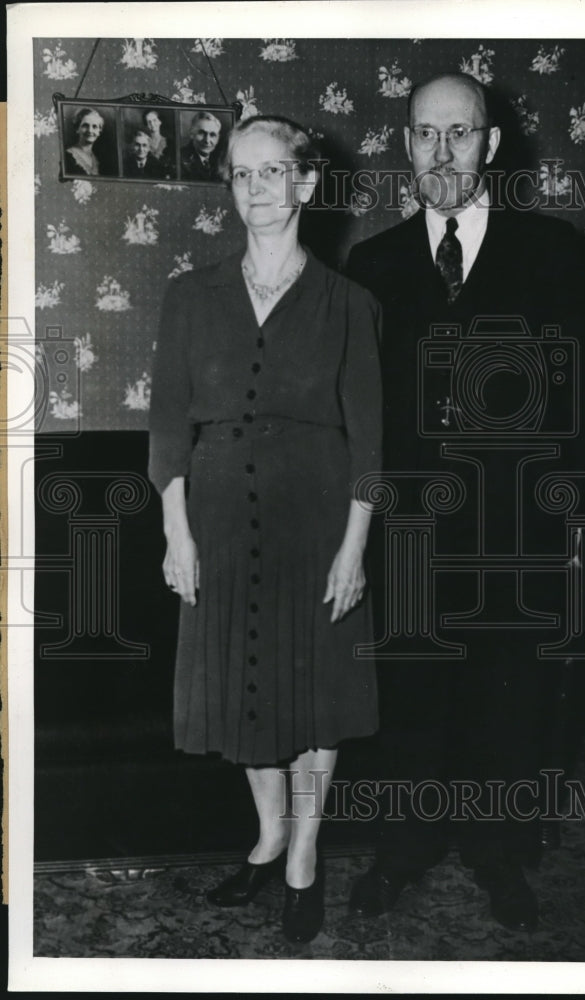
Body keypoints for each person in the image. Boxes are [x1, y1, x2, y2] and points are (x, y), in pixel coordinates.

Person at [346, 73, 585, 933]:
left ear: (491, 146)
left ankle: (498, 852)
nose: (442, 152)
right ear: (405, 145)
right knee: (409, 697)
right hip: (406, 533)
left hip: (520, 530)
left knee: (507, 700)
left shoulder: (557, 255)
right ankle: (400, 850)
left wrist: (574, 509)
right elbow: (355, 412)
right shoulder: (371, 267)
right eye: (425, 133)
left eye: (460, 134)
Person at [149, 114, 382, 944]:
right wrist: (177, 534)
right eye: (242, 174)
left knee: (313, 700)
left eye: (274, 172)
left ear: (306, 184)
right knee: (243, 691)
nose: (257, 189)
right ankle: (268, 832)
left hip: (316, 524)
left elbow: (369, 443)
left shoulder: (348, 304)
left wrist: (353, 548)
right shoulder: (189, 295)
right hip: (215, 521)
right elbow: (169, 427)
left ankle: (304, 855)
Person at [180, 110, 223, 181]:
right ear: (191, 134)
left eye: (212, 135)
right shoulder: (180, 158)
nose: (207, 140)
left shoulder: (221, 159)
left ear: (218, 138)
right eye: (202, 133)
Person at [64, 106, 106, 176]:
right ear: (77, 129)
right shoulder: (68, 156)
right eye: (85, 125)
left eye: (94, 126)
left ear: (99, 131)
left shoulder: (96, 160)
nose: (90, 130)